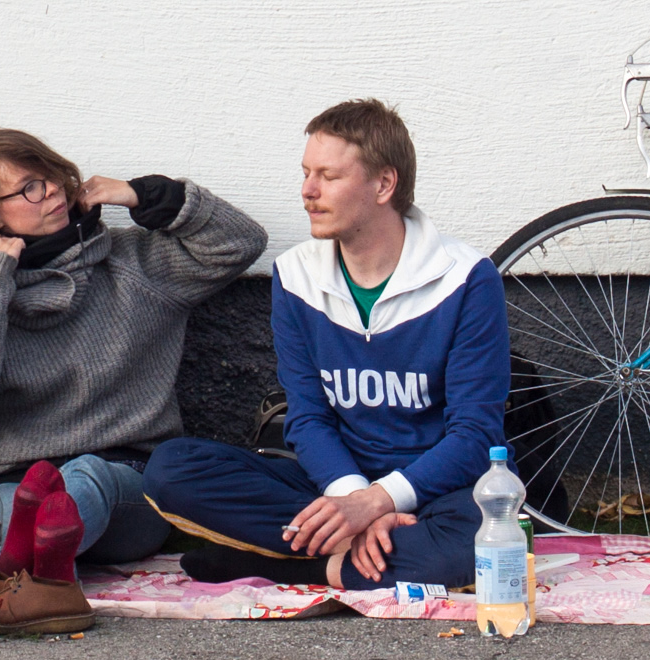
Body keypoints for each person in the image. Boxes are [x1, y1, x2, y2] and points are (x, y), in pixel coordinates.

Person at [141, 98, 509, 592]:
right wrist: (350, 502)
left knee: (486, 542)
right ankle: (361, 556)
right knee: (171, 470)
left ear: (384, 184)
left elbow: (475, 436)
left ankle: (289, 566)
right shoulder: (296, 275)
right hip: (332, 482)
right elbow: (308, 418)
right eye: (306, 174)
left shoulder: (465, 278)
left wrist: (378, 502)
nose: (308, 191)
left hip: (436, 489)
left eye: (329, 176)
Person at [0, 127, 265, 572]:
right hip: (11, 481)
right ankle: (32, 569)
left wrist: (146, 195)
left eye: (51, 176)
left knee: (86, 478)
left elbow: (242, 241)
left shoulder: (131, 263)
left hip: (128, 481)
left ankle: (13, 570)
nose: (52, 191)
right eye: (29, 188)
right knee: (6, 507)